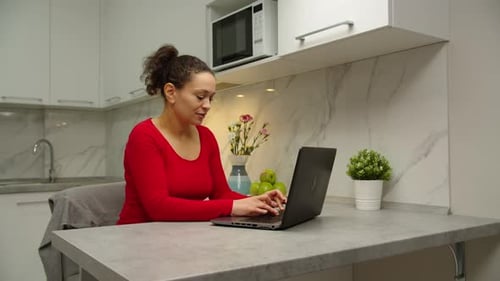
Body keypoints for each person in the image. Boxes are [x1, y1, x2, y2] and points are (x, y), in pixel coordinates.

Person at [117, 44, 286, 224]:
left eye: (211, 98)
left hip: (182, 237)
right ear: (171, 92)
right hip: (137, 239)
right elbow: (158, 208)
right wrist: (232, 207)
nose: (207, 105)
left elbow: (221, 194)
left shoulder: (206, 137)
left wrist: (258, 200)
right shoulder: (144, 136)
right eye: (200, 96)